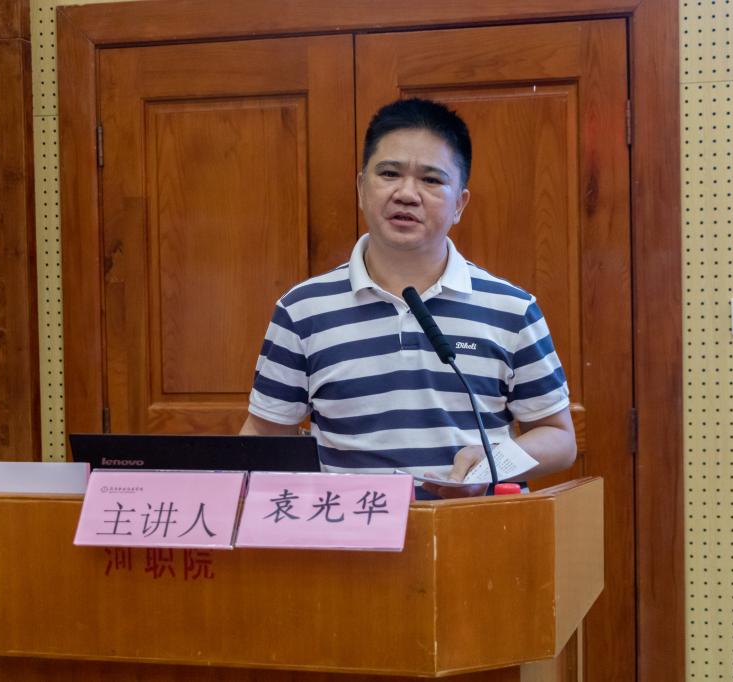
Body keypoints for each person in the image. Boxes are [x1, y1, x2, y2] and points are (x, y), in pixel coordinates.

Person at [240, 98, 575, 498]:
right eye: (389, 173)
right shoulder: (302, 309)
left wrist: (494, 462)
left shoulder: (511, 309)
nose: (407, 194)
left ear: (460, 204)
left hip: (478, 529)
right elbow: (265, 433)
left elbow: (558, 437)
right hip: (351, 530)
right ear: (361, 188)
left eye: (431, 180)